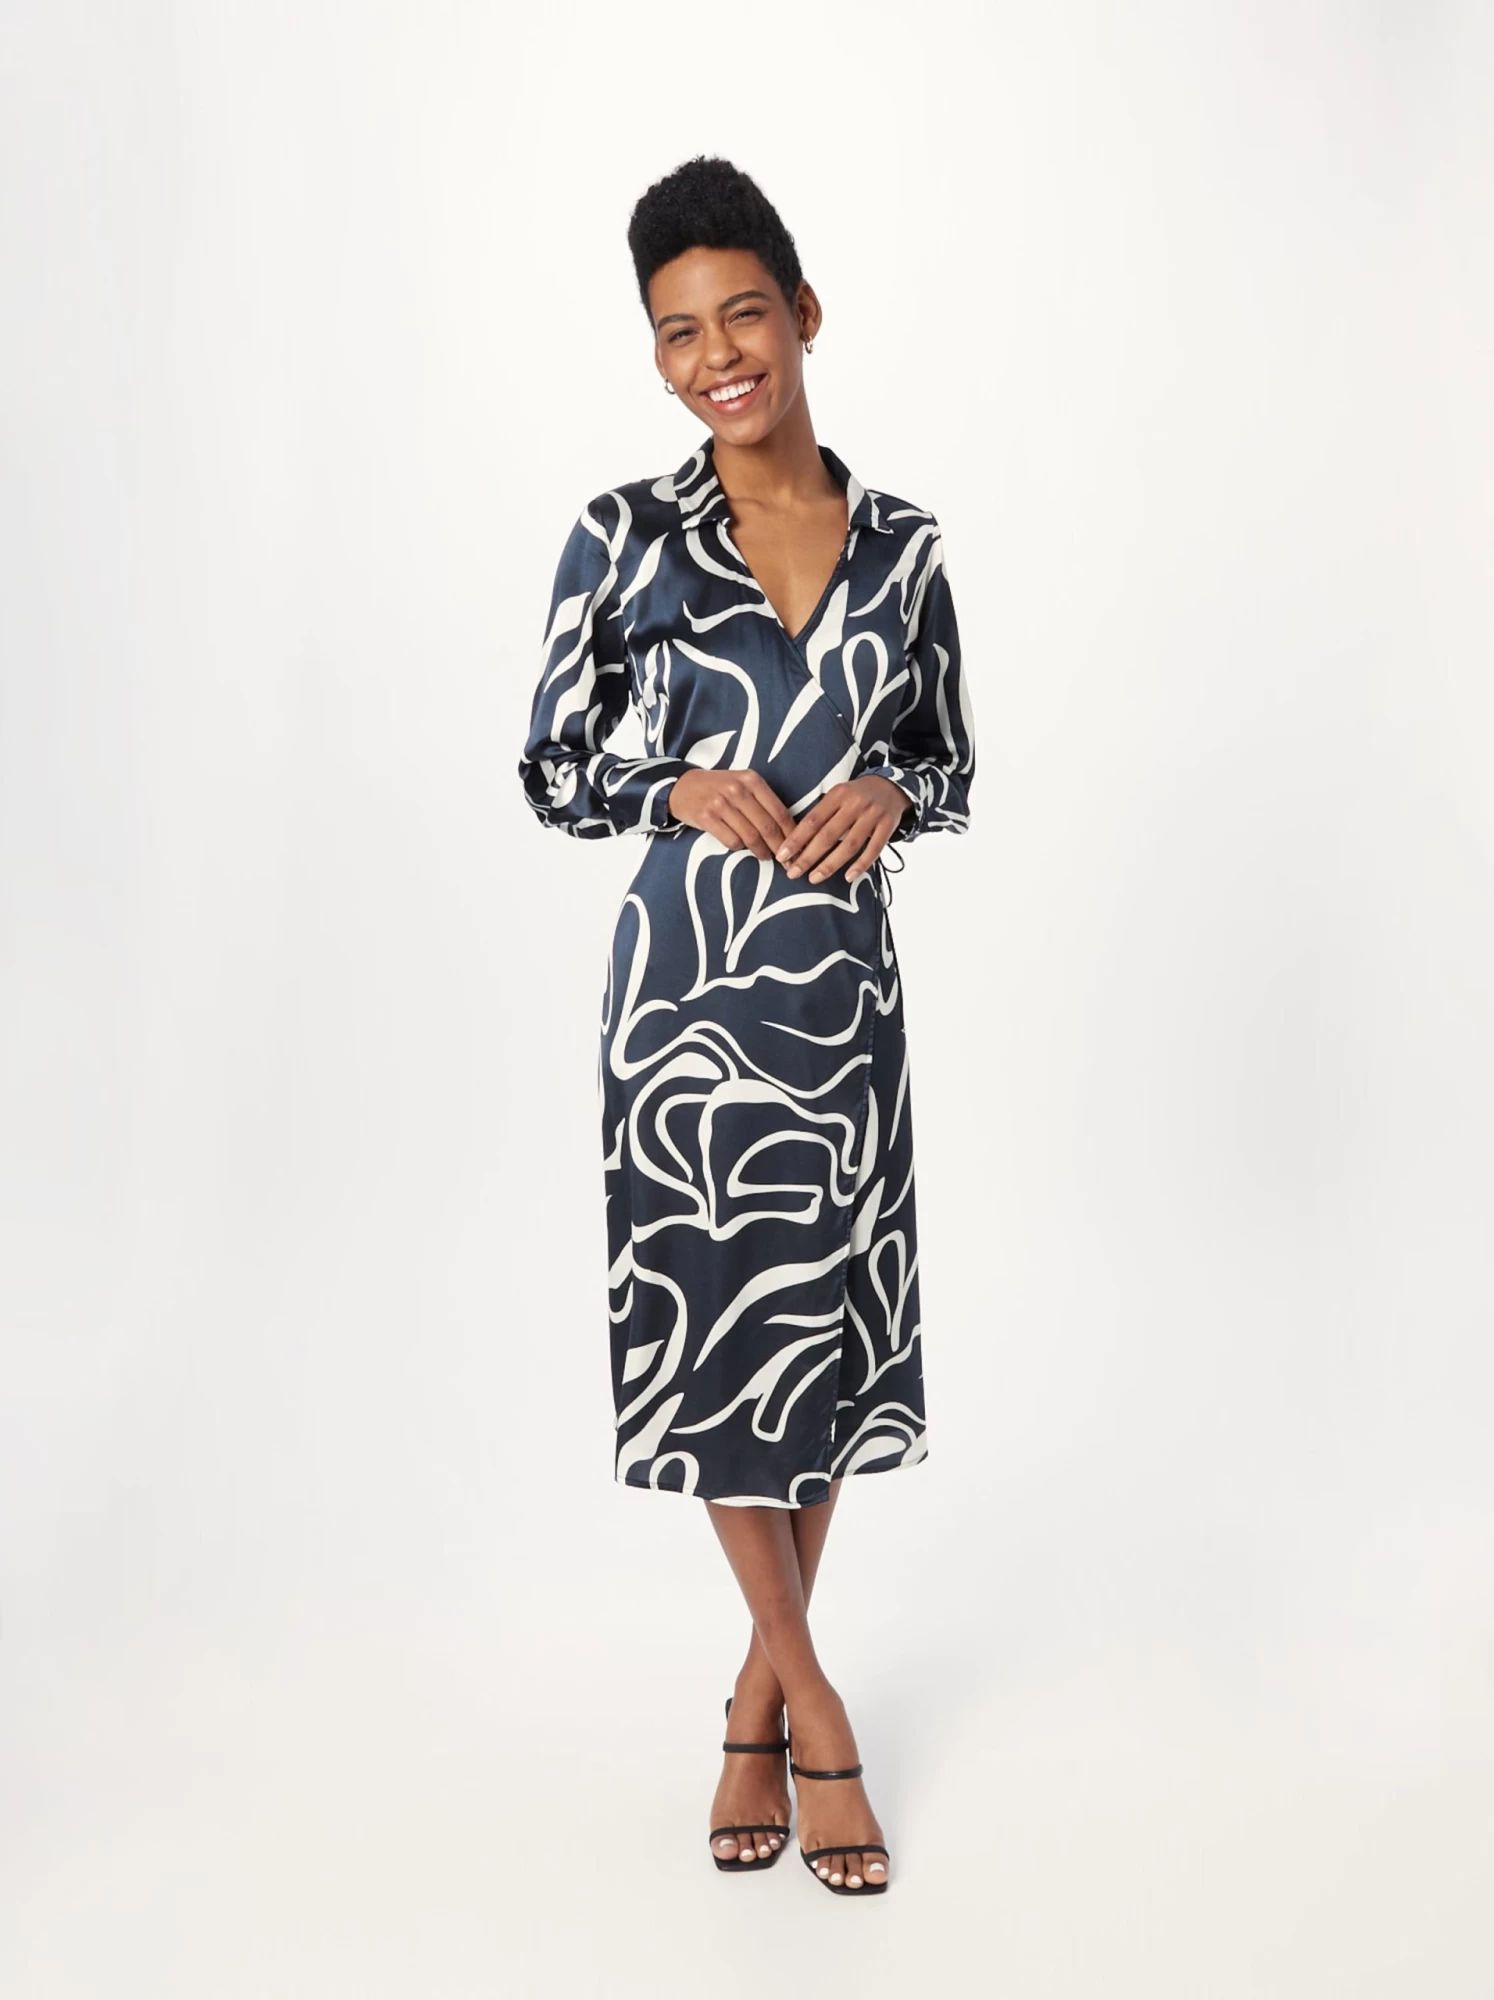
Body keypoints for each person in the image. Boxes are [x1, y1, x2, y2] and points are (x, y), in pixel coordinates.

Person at [517, 154, 976, 1896]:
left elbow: (947, 759)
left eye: (742, 315)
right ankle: (813, 1706)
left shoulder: (907, 547)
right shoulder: (623, 537)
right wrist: (671, 782)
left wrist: (892, 789)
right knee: (725, 1350)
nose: (716, 355)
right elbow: (551, 765)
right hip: (685, 1003)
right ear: (657, 356)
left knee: (823, 1349)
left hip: (844, 999)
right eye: (677, 333)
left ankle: (753, 1694)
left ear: (804, 312)